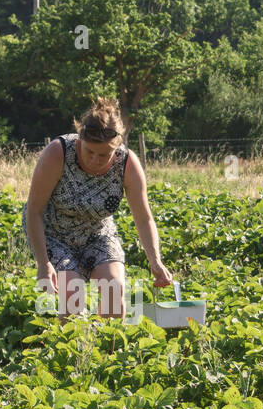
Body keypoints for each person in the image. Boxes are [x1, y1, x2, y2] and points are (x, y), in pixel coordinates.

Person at [23, 98, 172, 319]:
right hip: (53, 234)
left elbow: (144, 219)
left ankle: (106, 341)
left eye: (103, 155)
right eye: (89, 151)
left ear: (117, 146)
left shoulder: (127, 164)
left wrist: (155, 261)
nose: (94, 159)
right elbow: (34, 210)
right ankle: (70, 341)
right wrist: (43, 263)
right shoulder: (58, 153)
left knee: (115, 292)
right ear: (81, 139)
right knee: (73, 295)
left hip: (97, 233)